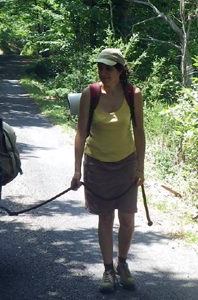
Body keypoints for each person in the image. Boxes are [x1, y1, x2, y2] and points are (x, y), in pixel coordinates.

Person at [70, 48, 145, 293]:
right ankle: (108, 270)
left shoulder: (133, 94)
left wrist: (141, 167)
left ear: (120, 70)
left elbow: (140, 132)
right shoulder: (89, 94)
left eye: (109, 68)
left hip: (126, 163)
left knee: (127, 218)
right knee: (105, 217)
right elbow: (81, 132)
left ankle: (122, 263)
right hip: (97, 164)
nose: (104, 73)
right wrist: (77, 170)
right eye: (101, 68)